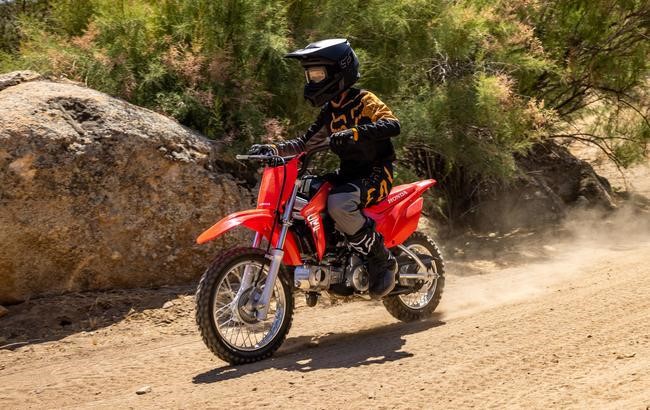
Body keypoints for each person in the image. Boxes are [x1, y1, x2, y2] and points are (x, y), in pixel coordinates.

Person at [248, 38, 400, 298]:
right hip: (348, 175)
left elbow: (393, 125)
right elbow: (303, 143)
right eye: (310, 75)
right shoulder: (330, 111)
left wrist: (355, 133)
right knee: (305, 193)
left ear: (339, 71)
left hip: (376, 174)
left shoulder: (365, 100)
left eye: (318, 74)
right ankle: (330, 258)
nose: (312, 80)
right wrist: (273, 150)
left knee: (339, 204)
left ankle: (381, 258)